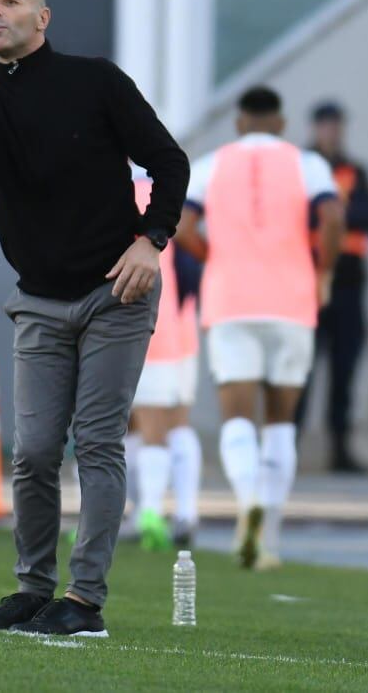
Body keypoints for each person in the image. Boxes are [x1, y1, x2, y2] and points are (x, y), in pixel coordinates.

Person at [0, 0, 188, 638]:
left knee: (97, 443)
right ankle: (32, 588)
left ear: (42, 19)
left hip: (115, 291)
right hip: (39, 299)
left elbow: (170, 161)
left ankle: (85, 599)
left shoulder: (95, 80)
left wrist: (151, 239)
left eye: (10, 1)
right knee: (35, 450)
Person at [175, 86, 343, 571]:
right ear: (282, 122)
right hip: (292, 300)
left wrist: (216, 261)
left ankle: (247, 507)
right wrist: (323, 272)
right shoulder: (307, 163)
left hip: (231, 302)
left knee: (237, 417)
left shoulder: (210, 165)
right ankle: (270, 527)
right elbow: (332, 215)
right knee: (280, 421)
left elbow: (184, 227)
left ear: (240, 122)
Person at [294, 101, 368, 473]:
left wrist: (333, 212)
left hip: (349, 284)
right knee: (299, 370)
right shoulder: (301, 167)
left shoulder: (355, 170)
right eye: (326, 125)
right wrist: (339, 212)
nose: (332, 131)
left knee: (344, 370)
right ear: (316, 128)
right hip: (307, 281)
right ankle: (290, 447)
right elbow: (297, 212)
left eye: (337, 125)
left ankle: (341, 450)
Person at [125, 172, 203, 552]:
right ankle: (186, 512)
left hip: (147, 317)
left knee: (145, 421)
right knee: (176, 420)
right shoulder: (175, 185)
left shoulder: (126, 189)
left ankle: (148, 514)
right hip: (183, 321)